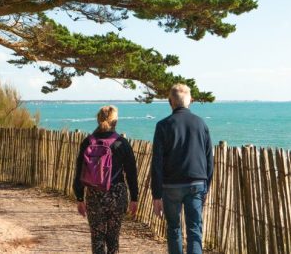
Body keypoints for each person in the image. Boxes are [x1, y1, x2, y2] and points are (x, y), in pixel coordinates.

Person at [151, 83, 214, 254]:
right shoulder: (201, 124)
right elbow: (209, 158)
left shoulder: (163, 125)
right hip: (196, 182)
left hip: (170, 186)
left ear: (170, 101)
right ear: (190, 101)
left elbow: (156, 162)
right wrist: (206, 186)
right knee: (194, 230)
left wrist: (156, 194)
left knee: (173, 228)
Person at [74, 105, 139, 254]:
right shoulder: (121, 143)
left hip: (94, 195)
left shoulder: (88, 142)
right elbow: (131, 173)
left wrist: (79, 198)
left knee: (97, 238)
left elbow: (79, 172)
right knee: (113, 238)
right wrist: (134, 198)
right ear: (115, 121)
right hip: (116, 194)